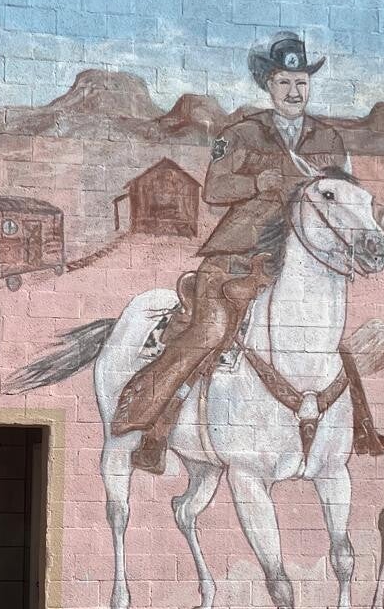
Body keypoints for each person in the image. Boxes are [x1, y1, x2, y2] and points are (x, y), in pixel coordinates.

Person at [111, 32, 358, 474]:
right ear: (268, 85)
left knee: (330, 345)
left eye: (301, 83)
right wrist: (257, 184)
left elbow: (347, 197)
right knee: (209, 332)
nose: (294, 92)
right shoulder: (241, 134)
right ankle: (151, 427)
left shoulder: (330, 141)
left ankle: (362, 432)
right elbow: (214, 189)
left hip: (299, 264)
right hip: (236, 259)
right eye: (284, 83)